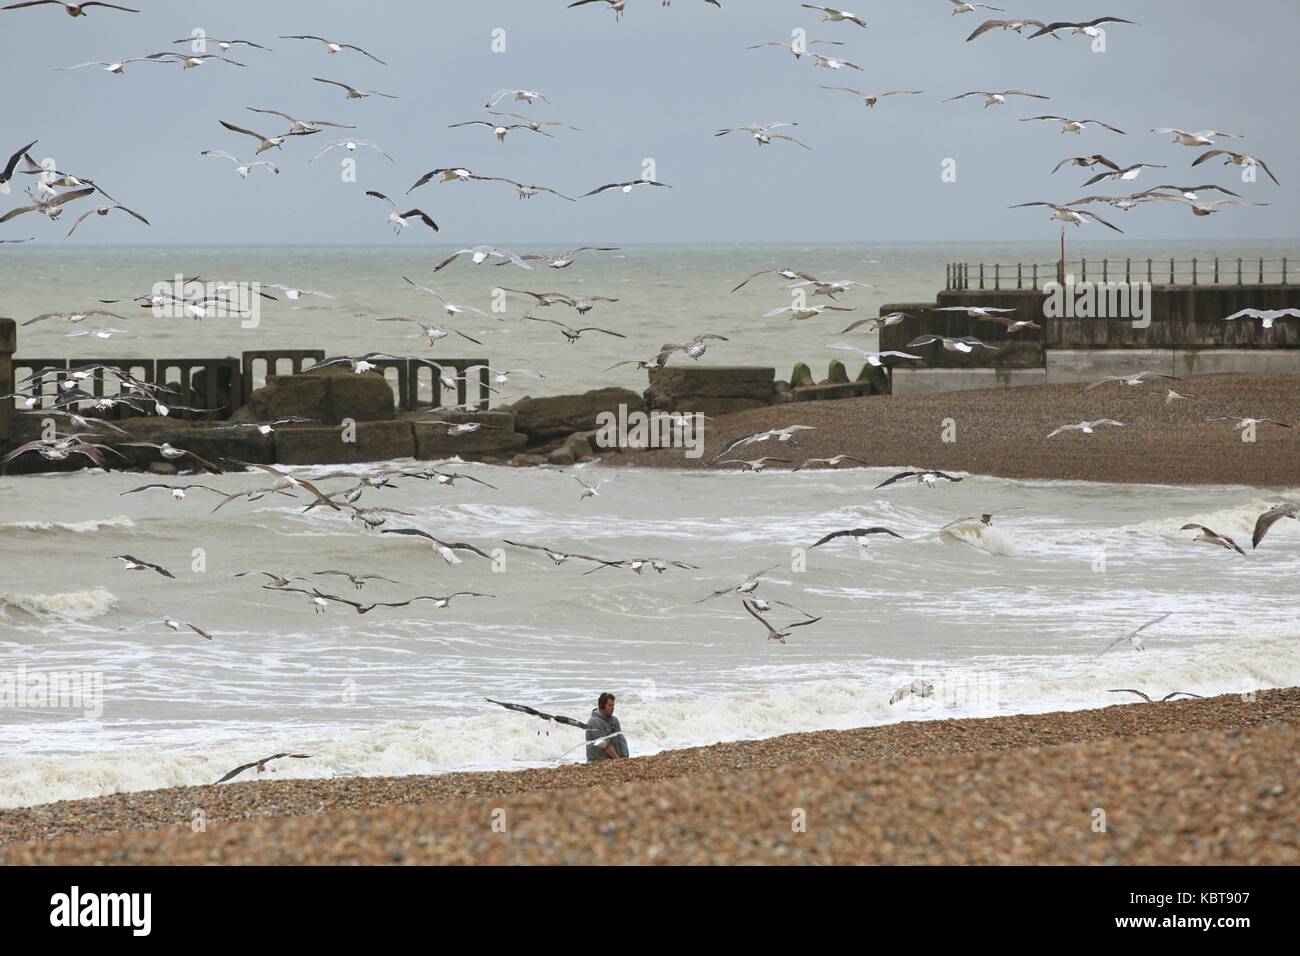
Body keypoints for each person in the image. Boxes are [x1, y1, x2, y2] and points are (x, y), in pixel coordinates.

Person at [586, 692, 629, 762]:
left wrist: (625, 758)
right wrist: (618, 760)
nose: (612, 708)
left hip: (613, 760)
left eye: (613, 705)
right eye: (610, 706)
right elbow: (604, 745)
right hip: (596, 761)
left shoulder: (614, 720)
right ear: (602, 706)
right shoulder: (594, 721)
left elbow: (621, 739)